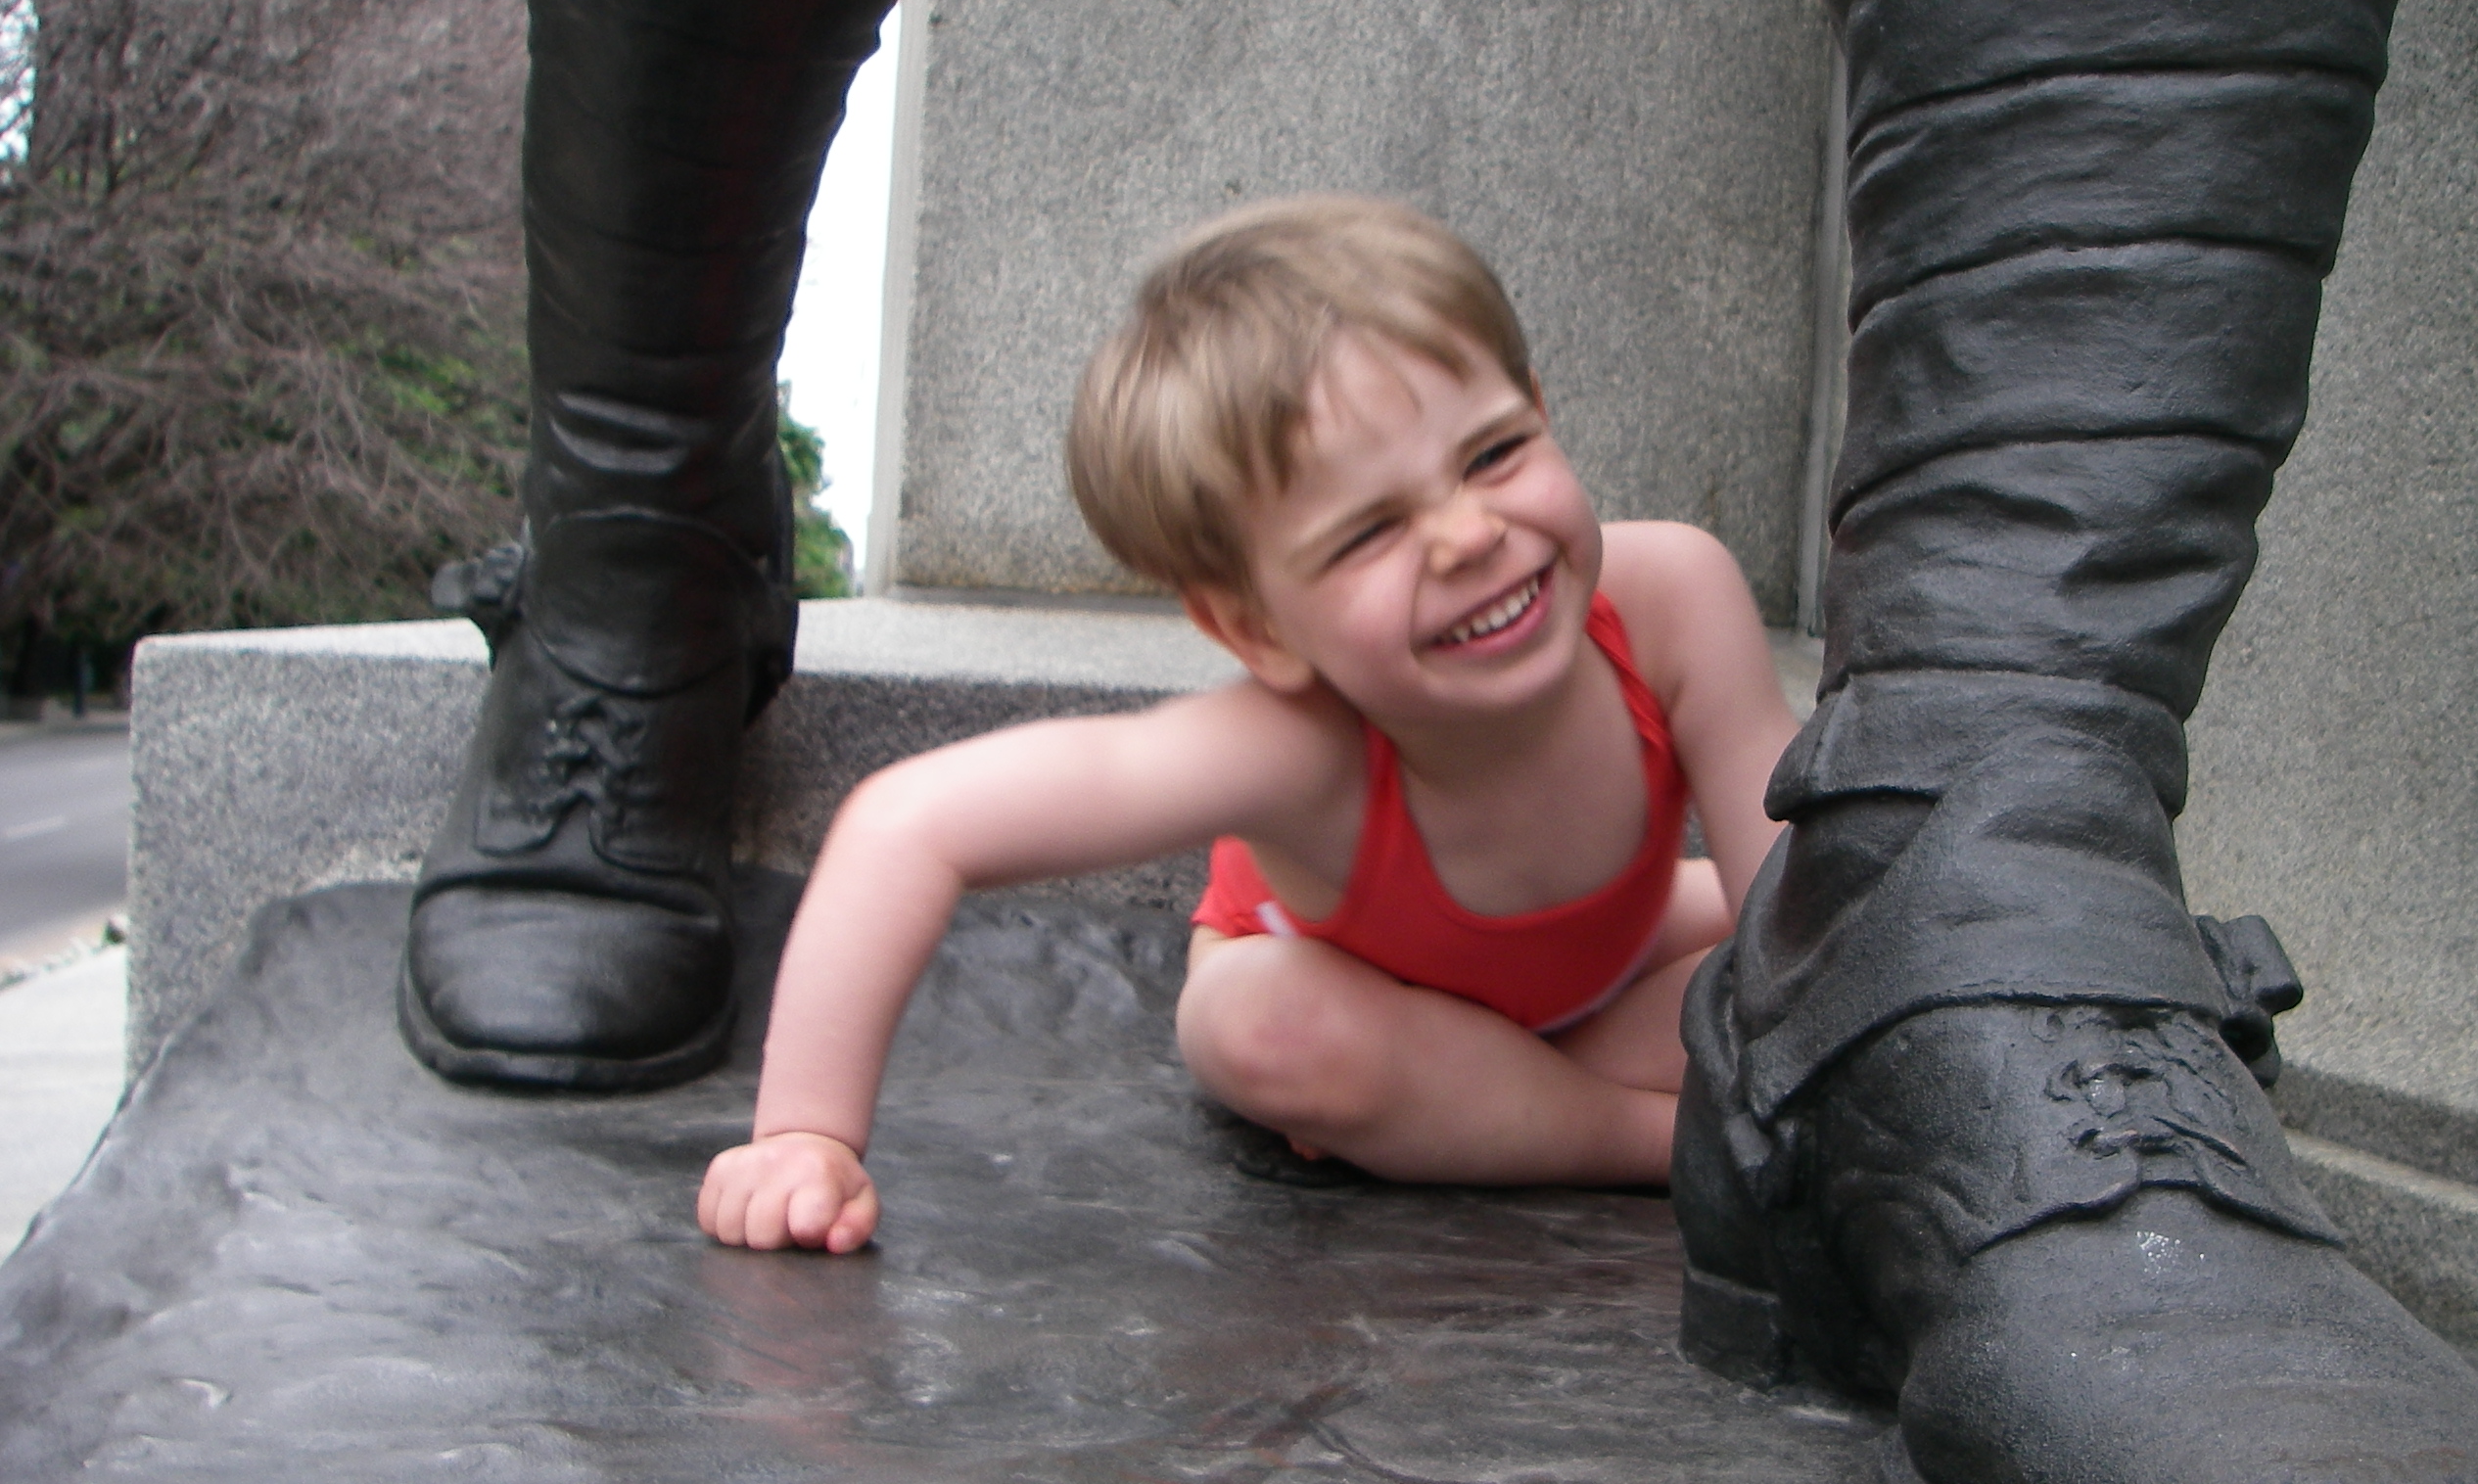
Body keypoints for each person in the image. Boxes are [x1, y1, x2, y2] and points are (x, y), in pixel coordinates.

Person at [696, 196, 1797, 1254]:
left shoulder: (1671, 600)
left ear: (1539, 410)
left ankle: (1514, 1109)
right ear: (1255, 627)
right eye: (1367, 532)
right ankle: (1667, 1144)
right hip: (1369, 1018)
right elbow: (908, 821)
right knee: (1261, 1030)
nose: (1469, 533)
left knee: (1818, 929)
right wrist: (803, 1134)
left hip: (1608, 967)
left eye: (1493, 454)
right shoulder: (1295, 749)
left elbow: (1795, 910)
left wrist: (1814, 1020)